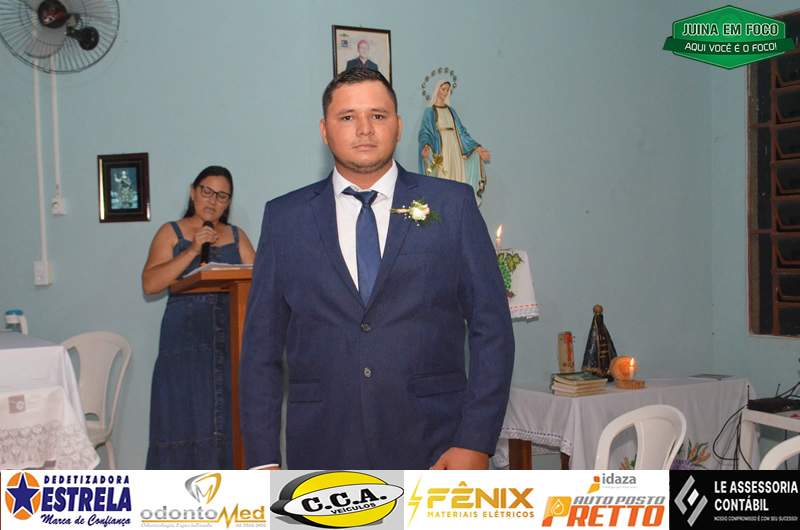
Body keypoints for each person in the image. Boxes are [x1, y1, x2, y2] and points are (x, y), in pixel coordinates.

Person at [240, 68, 514, 470]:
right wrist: (262, 461)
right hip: (322, 448)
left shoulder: (452, 205)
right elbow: (260, 349)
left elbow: (493, 329)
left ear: (398, 126)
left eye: (378, 115)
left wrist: (475, 441)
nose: (364, 129)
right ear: (324, 130)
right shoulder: (285, 219)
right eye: (347, 117)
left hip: (436, 447)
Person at [142, 165, 256, 469]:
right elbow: (150, 284)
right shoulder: (171, 232)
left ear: (228, 203)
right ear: (193, 193)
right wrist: (193, 250)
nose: (213, 200)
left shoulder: (237, 236)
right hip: (185, 342)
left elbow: (258, 282)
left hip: (230, 339)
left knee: (228, 418)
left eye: (222, 196)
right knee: (184, 415)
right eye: (207, 191)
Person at [418, 80, 491, 202]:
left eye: (447, 90)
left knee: (457, 178)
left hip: (455, 149)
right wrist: (426, 145)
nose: (445, 92)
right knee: (444, 178)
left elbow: (462, 132)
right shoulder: (430, 111)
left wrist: (477, 148)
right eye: (443, 89)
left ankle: (457, 204)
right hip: (442, 150)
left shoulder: (451, 111)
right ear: (437, 90)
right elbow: (425, 132)